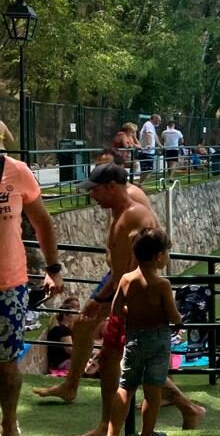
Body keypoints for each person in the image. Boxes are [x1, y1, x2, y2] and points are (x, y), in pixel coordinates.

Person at [35, 163, 205, 434]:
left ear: (112, 186)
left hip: (131, 302)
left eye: (96, 190)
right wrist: (105, 299)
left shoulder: (134, 215)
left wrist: (108, 303)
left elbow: (132, 269)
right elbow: (122, 267)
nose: (92, 196)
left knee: (133, 364)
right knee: (116, 357)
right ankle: (103, 419)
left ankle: (183, 410)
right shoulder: (120, 212)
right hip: (123, 296)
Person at [0, 153, 64, 435]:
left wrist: (53, 268)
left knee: (7, 362)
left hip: (8, 286)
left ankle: (9, 423)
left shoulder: (16, 171)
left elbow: (42, 222)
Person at [107, 228, 182, 436]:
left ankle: (111, 434)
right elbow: (173, 315)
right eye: (167, 252)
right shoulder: (162, 284)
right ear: (159, 256)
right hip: (158, 341)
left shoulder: (126, 279)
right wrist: (179, 320)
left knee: (125, 387)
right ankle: (146, 433)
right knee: (152, 390)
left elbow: (115, 309)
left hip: (134, 339)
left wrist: (132, 311)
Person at [48, 297, 81, 373]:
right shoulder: (64, 330)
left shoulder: (57, 328)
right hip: (62, 362)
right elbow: (69, 350)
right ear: (65, 315)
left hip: (57, 362)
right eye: (72, 314)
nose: (74, 315)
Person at [137, 114, 161, 183]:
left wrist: (160, 145)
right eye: (158, 120)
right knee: (148, 170)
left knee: (147, 170)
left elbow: (155, 136)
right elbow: (149, 134)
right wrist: (149, 144)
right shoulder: (148, 125)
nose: (159, 122)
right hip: (146, 151)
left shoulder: (151, 126)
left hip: (149, 151)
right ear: (154, 119)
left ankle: (140, 184)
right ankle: (139, 184)